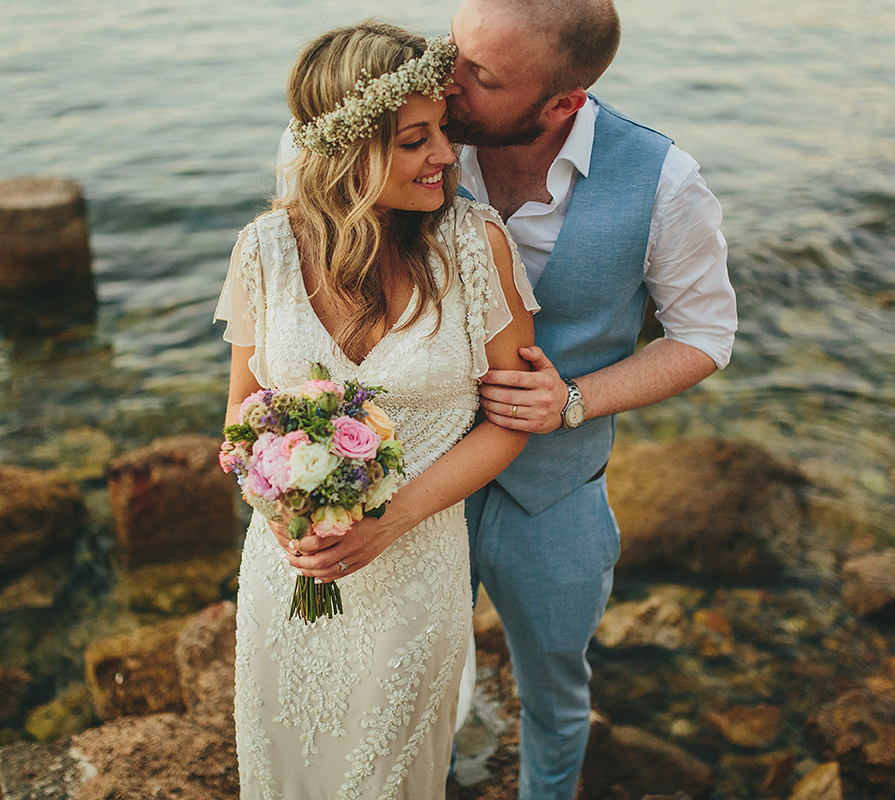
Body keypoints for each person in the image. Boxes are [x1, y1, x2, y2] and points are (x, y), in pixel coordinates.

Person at [282, 1, 738, 798]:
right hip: (409, 482)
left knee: (556, 689)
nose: (446, 83)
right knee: (401, 679)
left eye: (481, 77)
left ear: (561, 103)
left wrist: (574, 399)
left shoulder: (665, 183)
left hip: (555, 498)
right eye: (454, 51)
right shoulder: (421, 136)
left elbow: (704, 336)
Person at [214, 21, 539, 799]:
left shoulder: (473, 244)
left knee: (384, 774)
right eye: (414, 140)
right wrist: (291, 513)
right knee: (285, 757)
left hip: (416, 563)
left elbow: (510, 420)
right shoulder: (264, 250)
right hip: (289, 563)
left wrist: (388, 519)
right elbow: (240, 421)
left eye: (444, 133)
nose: (446, 156)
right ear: (346, 150)